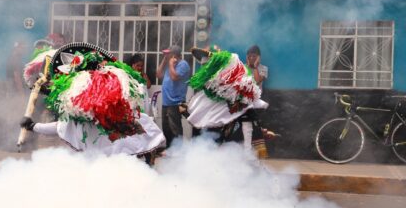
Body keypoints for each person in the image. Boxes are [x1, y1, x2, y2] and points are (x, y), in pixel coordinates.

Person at [20, 44, 164, 162]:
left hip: (113, 168)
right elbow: (60, 127)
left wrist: (33, 126)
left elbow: (59, 127)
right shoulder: (84, 112)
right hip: (111, 167)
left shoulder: (88, 108)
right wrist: (33, 126)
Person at [185, 48, 268, 153]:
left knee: (247, 135)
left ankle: (250, 161)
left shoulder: (232, 65)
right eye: (204, 65)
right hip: (231, 112)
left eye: (207, 64)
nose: (205, 67)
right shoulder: (214, 81)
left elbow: (252, 84)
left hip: (244, 108)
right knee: (229, 138)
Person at [158, 45, 190, 148]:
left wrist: (171, 64)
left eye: (168, 54)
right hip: (166, 102)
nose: (166, 56)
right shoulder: (169, 64)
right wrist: (164, 61)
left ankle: (179, 153)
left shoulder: (183, 64)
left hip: (176, 102)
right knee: (166, 130)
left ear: (175, 55)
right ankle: (170, 151)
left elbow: (174, 77)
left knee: (175, 130)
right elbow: (158, 74)